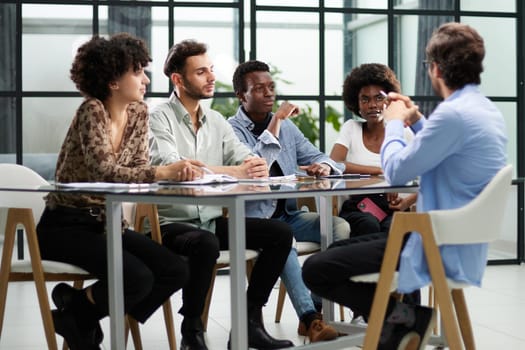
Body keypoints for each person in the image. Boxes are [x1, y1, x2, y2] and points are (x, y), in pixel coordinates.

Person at [303, 22, 507, 350]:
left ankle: (404, 319)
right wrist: (415, 120)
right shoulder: (483, 112)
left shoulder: (452, 116)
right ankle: (402, 321)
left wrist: (396, 122)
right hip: (454, 238)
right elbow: (443, 157)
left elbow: (396, 171)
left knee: (315, 269)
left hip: (431, 241)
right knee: (338, 250)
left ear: (436, 69)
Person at [36, 33, 202, 350]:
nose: (146, 79)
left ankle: (79, 312)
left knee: (175, 270)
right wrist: (163, 171)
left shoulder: (138, 112)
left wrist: (174, 174)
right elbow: (105, 172)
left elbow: (138, 169)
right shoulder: (91, 111)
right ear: (113, 80)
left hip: (109, 223)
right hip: (65, 225)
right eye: (137, 71)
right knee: (138, 278)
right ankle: (82, 315)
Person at [148, 39, 294, 350]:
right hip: (169, 224)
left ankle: (248, 322)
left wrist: (249, 166)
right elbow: (175, 167)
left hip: (211, 221)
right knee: (205, 243)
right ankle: (192, 330)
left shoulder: (216, 121)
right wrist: (235, 172)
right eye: (201, 72)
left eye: (211, 70)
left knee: (280, 233)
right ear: (178, 79)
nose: (212, 77)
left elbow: (247, 160)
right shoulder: (158, 117)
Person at [228, 60, 348, 342]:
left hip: (289, 215)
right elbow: (256, 166)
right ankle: (310, 318)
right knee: (285, 243)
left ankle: (317, 306)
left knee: (338, 227)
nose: (269, 93)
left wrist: (325, 167)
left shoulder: (290, 130)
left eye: (271, 87)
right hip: (255, 221)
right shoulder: (230, 129)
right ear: (241, 96)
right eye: (259, 89)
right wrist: (277, 121)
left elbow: (322, 156)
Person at [331, 63, 417, 237]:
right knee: (368, 224)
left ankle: (381, 264)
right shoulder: (351, 128)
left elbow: (427, 176)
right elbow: (334, 164)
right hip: (358, 206)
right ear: (357, 103)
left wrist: (407, 202)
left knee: (393, 229)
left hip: (394, 207)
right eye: (365, 99)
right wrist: (381, 171)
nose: (372, 105)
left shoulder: (403, 132)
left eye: (378, 98)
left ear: (388, 101)